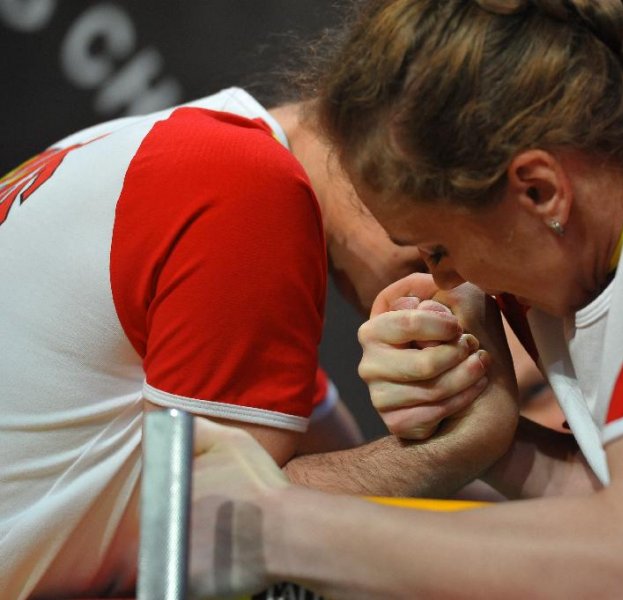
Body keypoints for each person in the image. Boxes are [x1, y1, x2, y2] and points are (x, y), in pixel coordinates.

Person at [188, 1, 623, 599]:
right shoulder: (563, 283)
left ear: (537, 190)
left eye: (436, 250)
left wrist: (273, 527)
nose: (446, 283)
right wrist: (495, 445)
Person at [0, 78, 519, 597]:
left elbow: (355, 466)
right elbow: (197, 531)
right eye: (441, 244)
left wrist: (465, 436)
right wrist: (450, 451)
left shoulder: (137, 146)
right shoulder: (245, 184)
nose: (453, 277)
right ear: (388, 140)